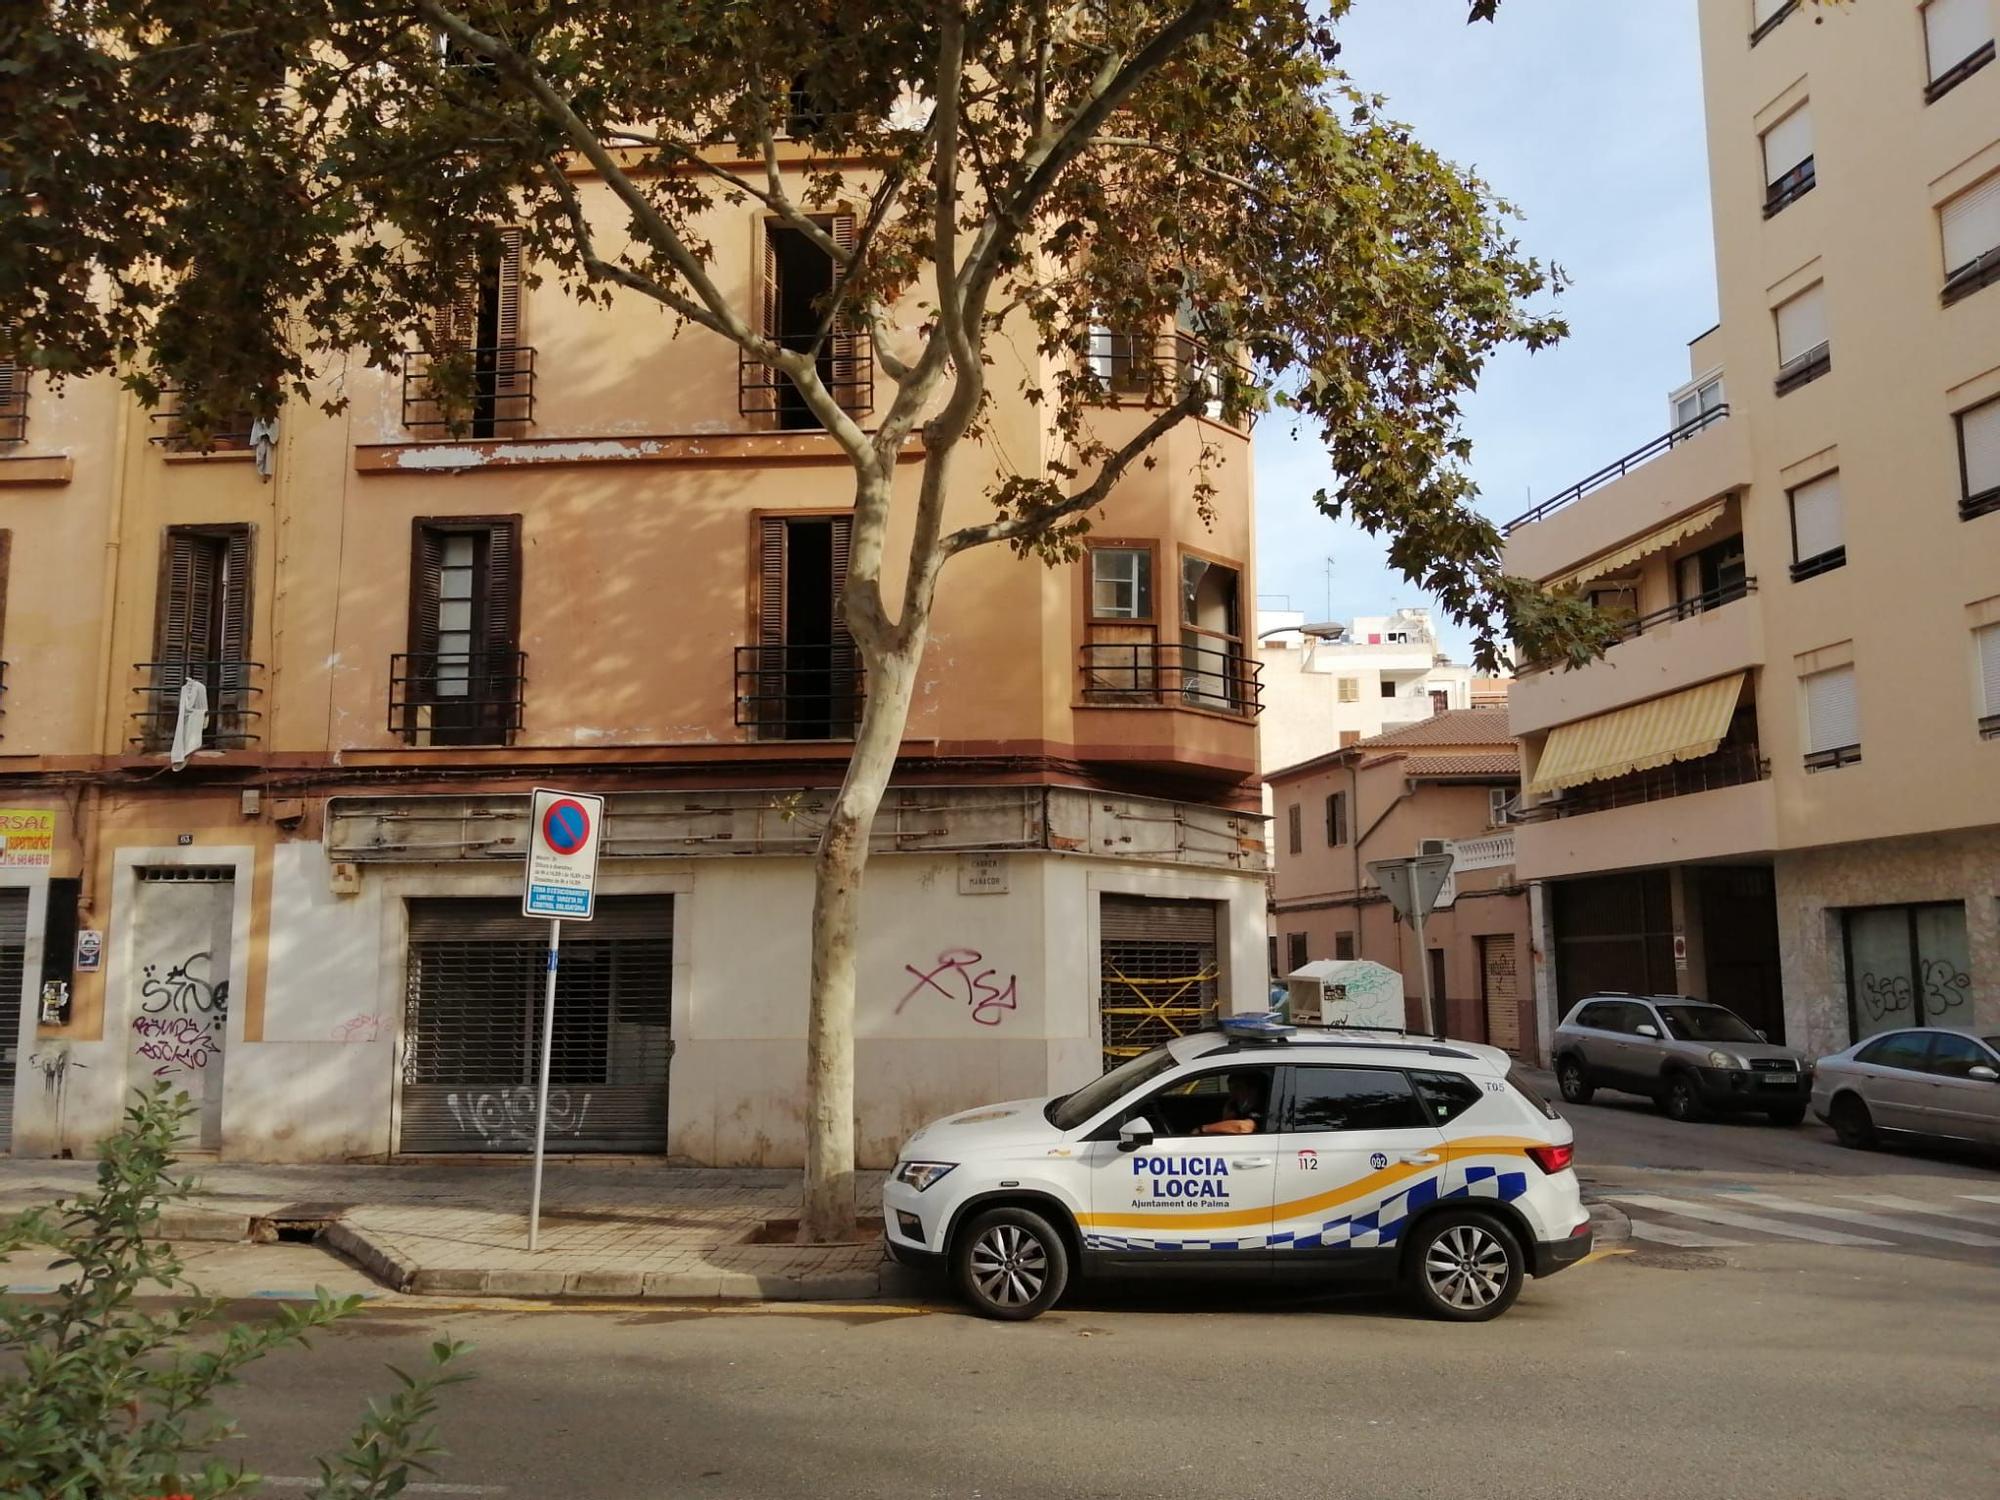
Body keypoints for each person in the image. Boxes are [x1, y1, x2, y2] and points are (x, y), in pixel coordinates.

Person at [1197, 1072, 1268, 1136]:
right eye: (1231, 1089)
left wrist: (1204, 1129)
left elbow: (1243, 1128)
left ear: (1252, 1090)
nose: (1233, 1093)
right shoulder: (1237, 1107)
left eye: (1237, 1088)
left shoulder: (1263, 1107)